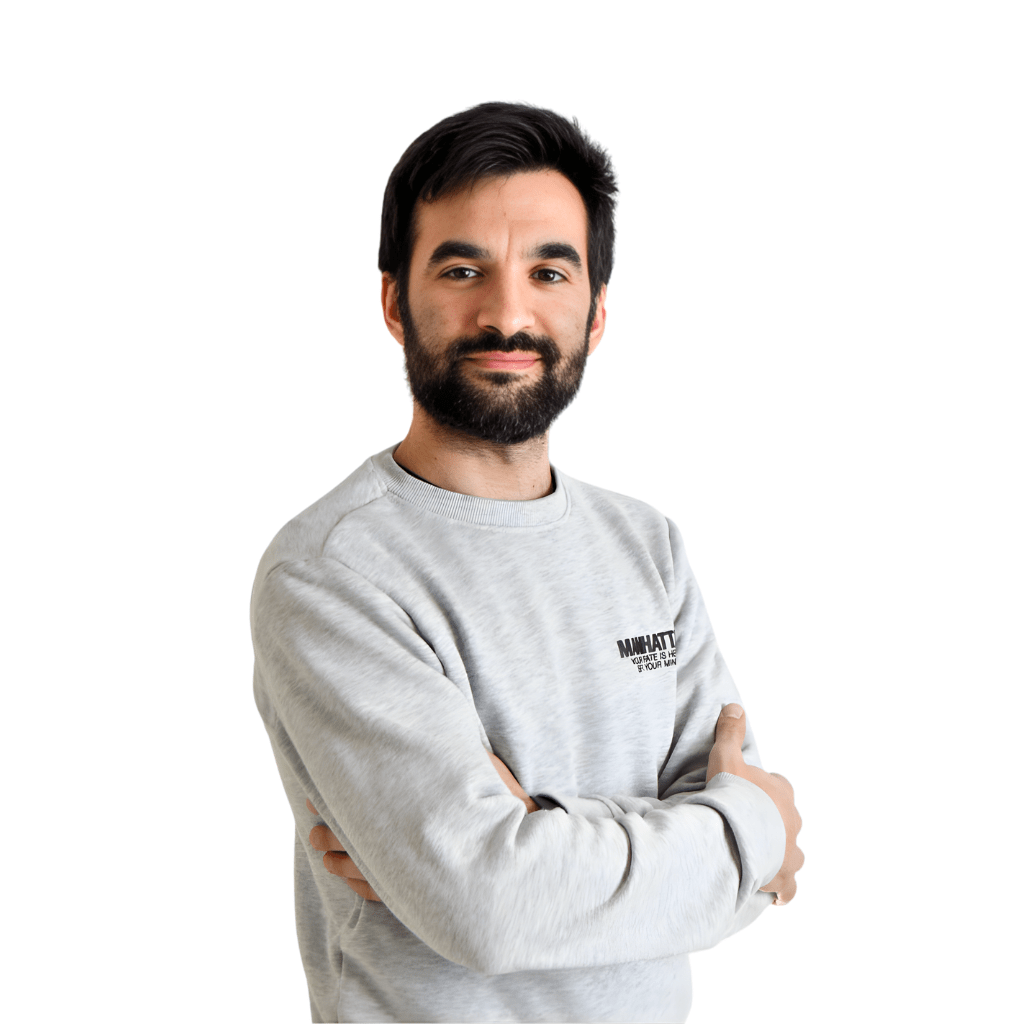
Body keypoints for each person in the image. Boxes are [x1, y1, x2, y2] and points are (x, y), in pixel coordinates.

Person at [251, 101, 803, 1024]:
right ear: (394, 303)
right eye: (462, 269)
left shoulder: (648, 545)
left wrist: (539, 831)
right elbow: (491, 907)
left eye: (549, 272)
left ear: (596, 311)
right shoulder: (331, 573)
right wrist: (738, 838)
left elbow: (758, 868)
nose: (507, 314)